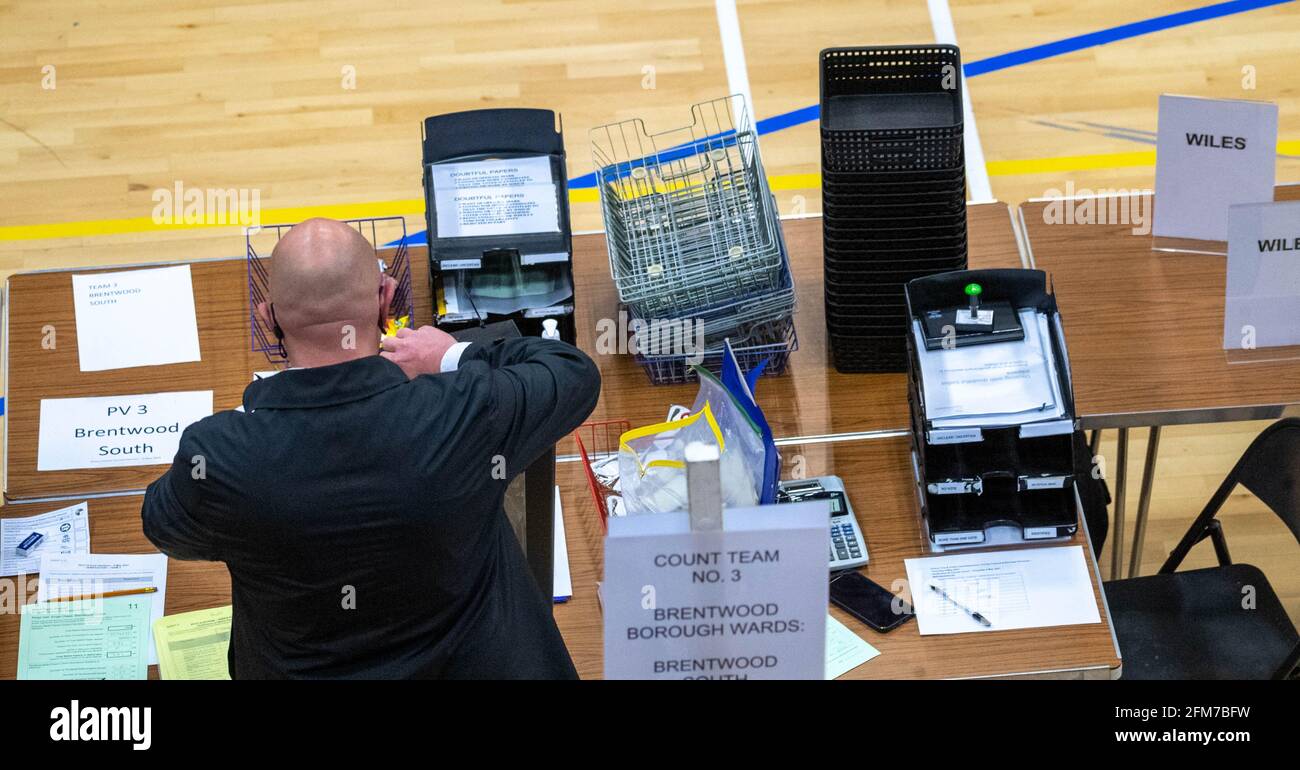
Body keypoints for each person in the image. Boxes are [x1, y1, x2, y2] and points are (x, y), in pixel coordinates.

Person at [141, 217, 599, 679]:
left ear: (269, 318)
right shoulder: (464, 414)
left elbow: (164, 526)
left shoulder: (220, 457)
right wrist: (451, 356)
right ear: (386, 301)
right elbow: (572, 373)